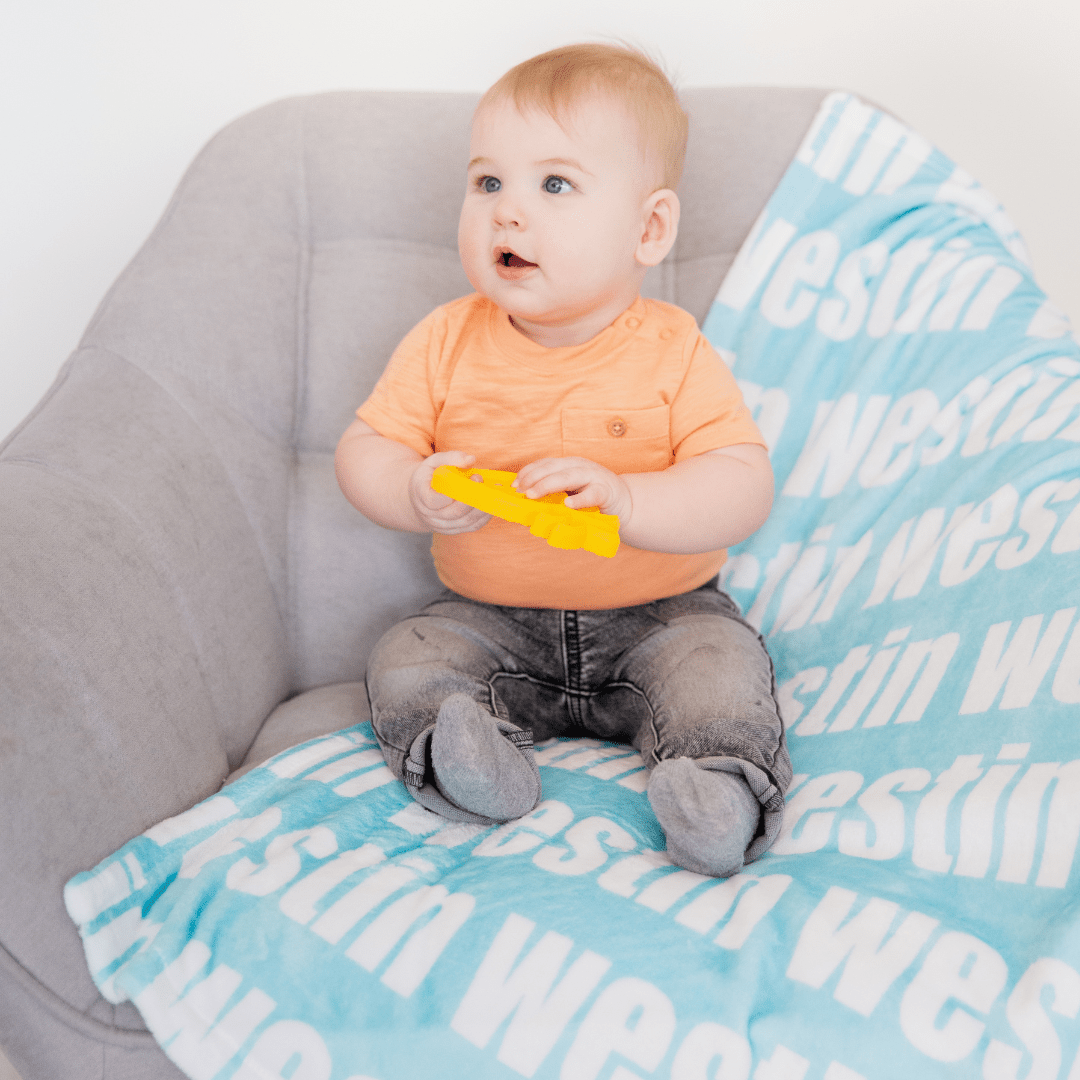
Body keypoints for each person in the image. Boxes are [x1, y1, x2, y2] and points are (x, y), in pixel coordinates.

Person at [335, 42, 790, 877]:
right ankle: (470, 763)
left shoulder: (674, 350)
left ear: (648, 228)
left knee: (722, 670)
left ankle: (717, 788)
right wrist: (409, 486)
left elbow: (742, 483)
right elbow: (367, 447)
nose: (508, 212)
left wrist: (632, 501)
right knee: (409, 653)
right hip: (491, 618)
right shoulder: (444, 341)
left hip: (663, 614)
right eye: (487, 182)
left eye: (554, 185)